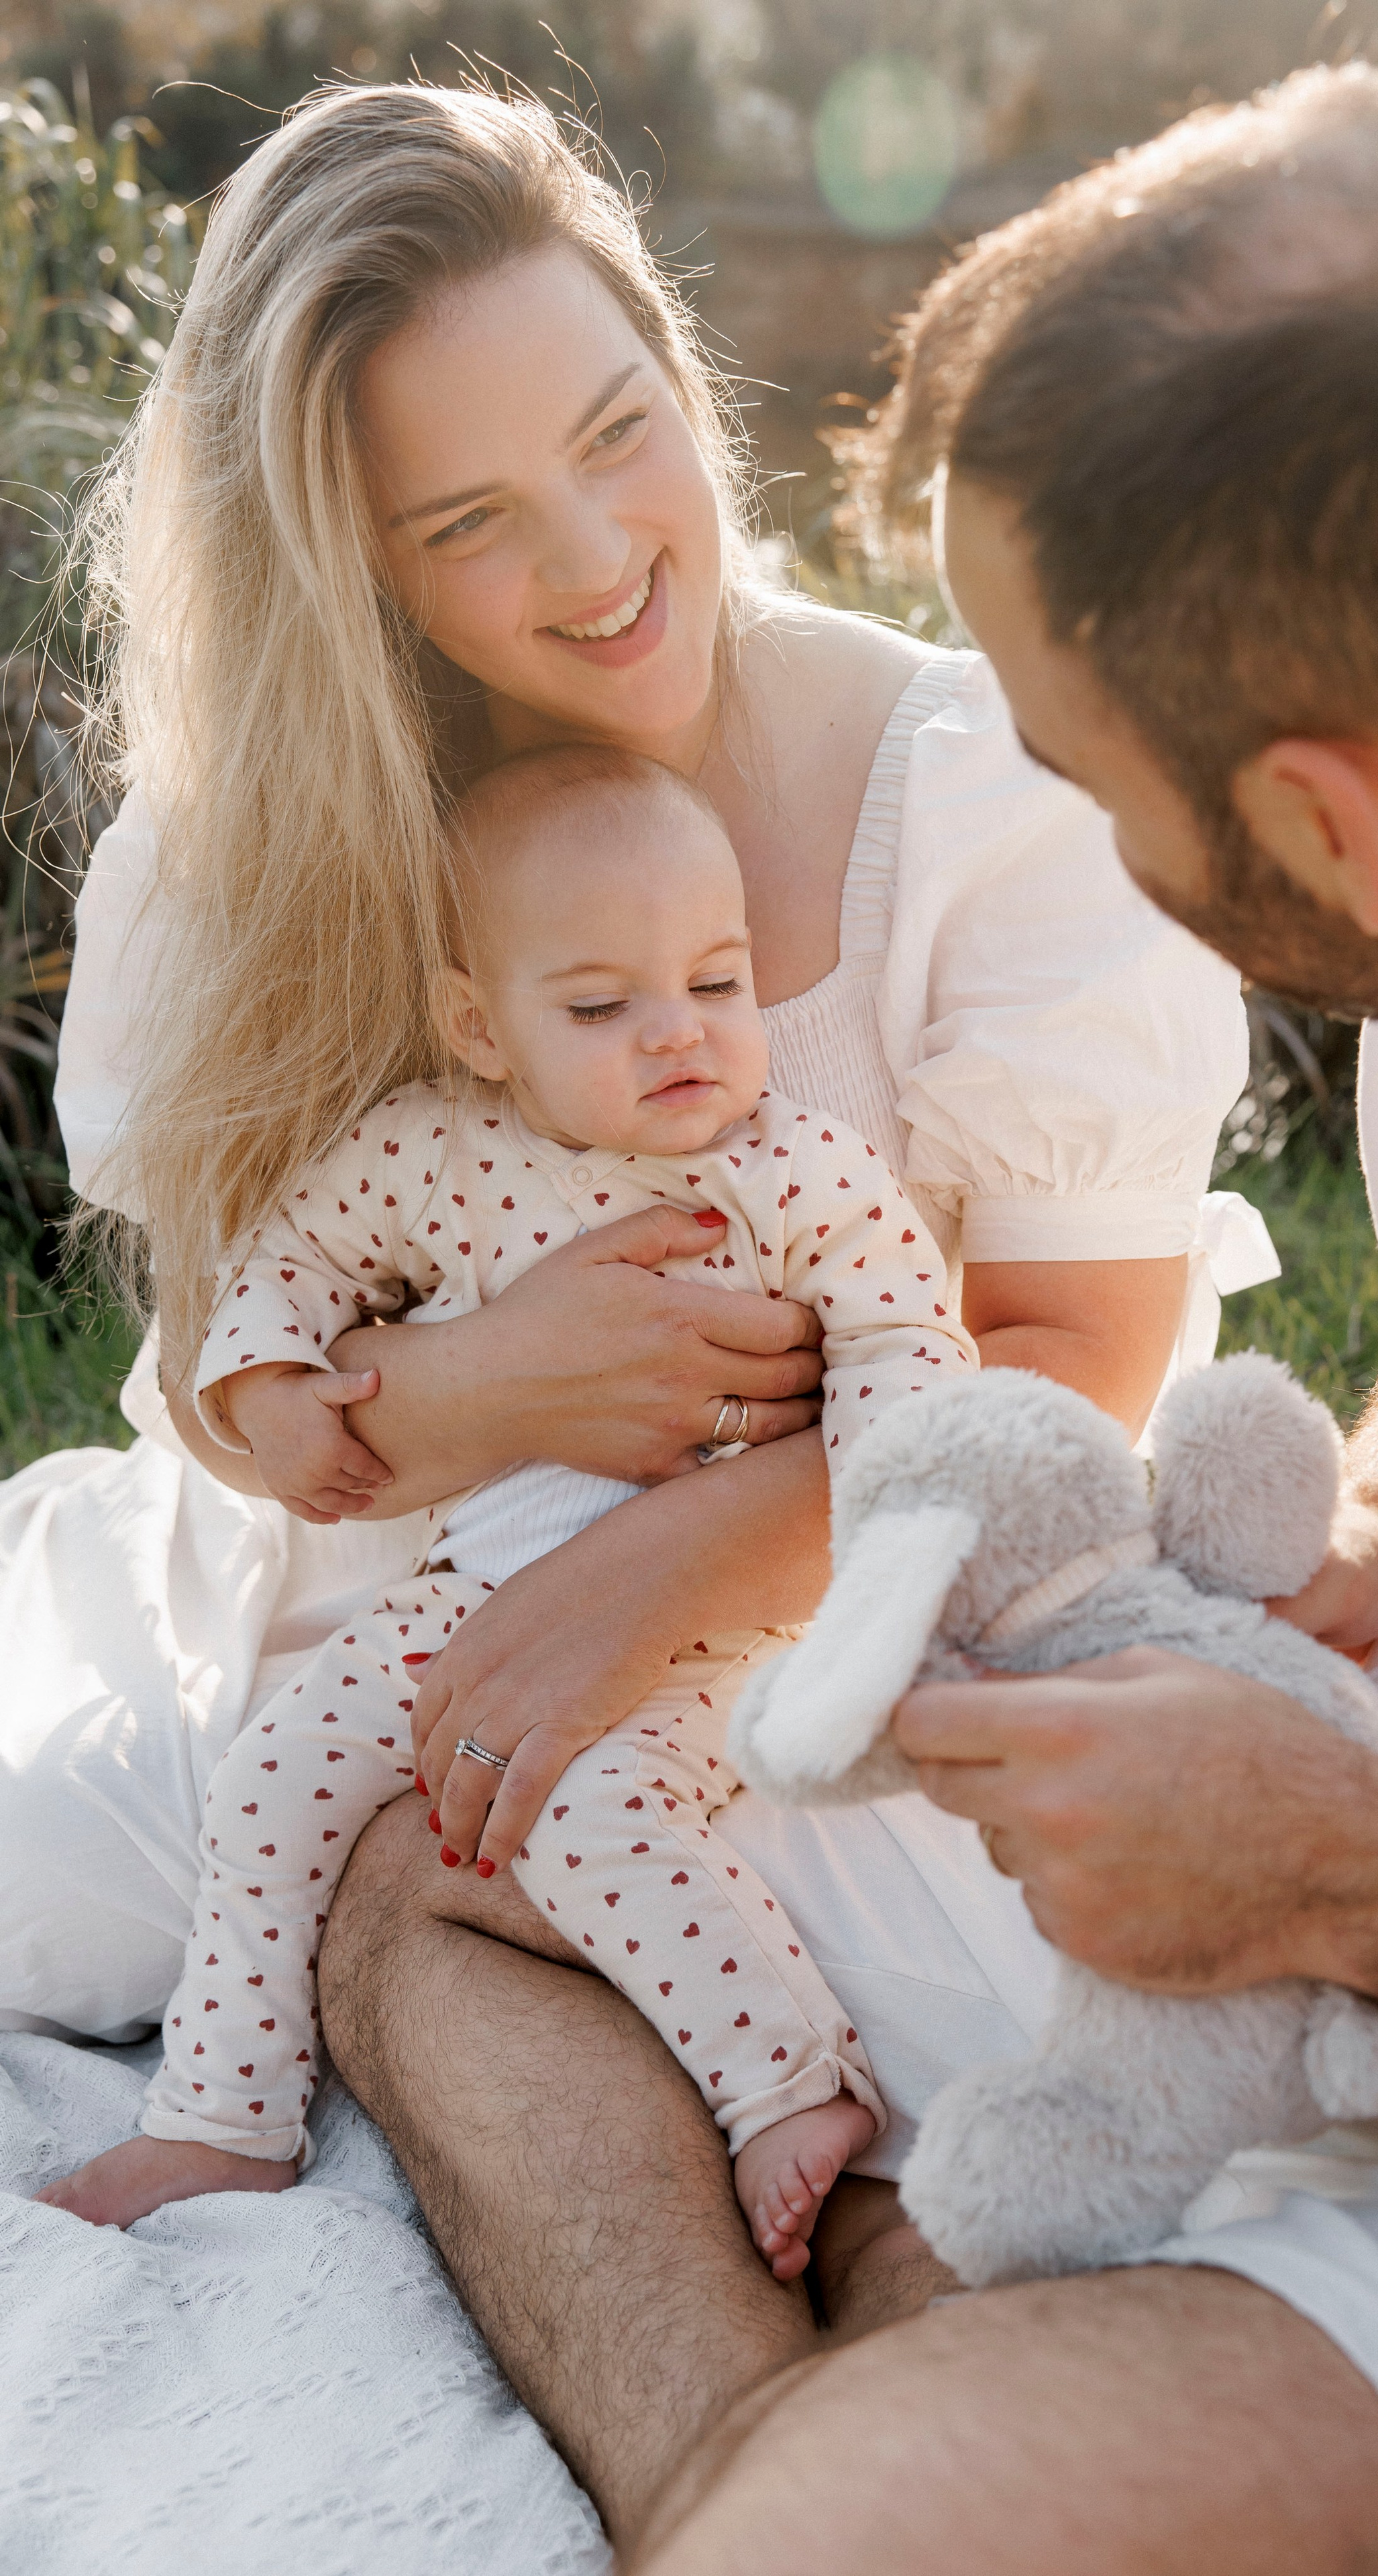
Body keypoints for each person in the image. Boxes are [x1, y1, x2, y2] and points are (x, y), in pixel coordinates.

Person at [7, 72, 1258, 2544]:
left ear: (684, 373)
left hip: (838, 1612)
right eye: (470, 525)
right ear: (349, 582)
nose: (600, 563)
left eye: (620, 435)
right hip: (328, 1596)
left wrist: (647, 1574)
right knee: (163, 1857)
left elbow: (1069, 1369)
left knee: (836, 1953)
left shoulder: (966, 794)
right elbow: (215, 1382)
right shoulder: (279, 848)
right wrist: (447, 1396)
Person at [612, 56, 1378, 2576]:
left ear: (1339, 821)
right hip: (1294, 1867)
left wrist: (1376, 1887)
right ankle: (823, 2417)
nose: (1093, 860)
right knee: (474, 1842)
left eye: (1100, 785)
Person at [36, 741, 979, 2271]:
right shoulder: (431, 1152)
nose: (678, 1035)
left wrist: (878, 1537)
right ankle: (224, 2108)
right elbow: (283, 1264)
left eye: (719, 984)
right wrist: (276, 1384)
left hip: (712, 1619)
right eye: (602, 1007)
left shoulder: (797, 1171)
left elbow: (902, 1342)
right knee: (274, 1776)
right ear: (479, 1024)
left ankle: (788, 2085)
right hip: (459, 1599)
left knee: (599, 1811)